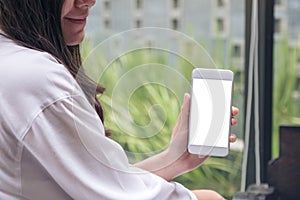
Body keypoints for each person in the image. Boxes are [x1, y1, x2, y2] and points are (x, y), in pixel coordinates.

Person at [0, 0, 238, 199]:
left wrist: (175, 160)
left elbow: (100, 184)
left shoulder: (12, 61)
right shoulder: (36, 77)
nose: (89, 1)